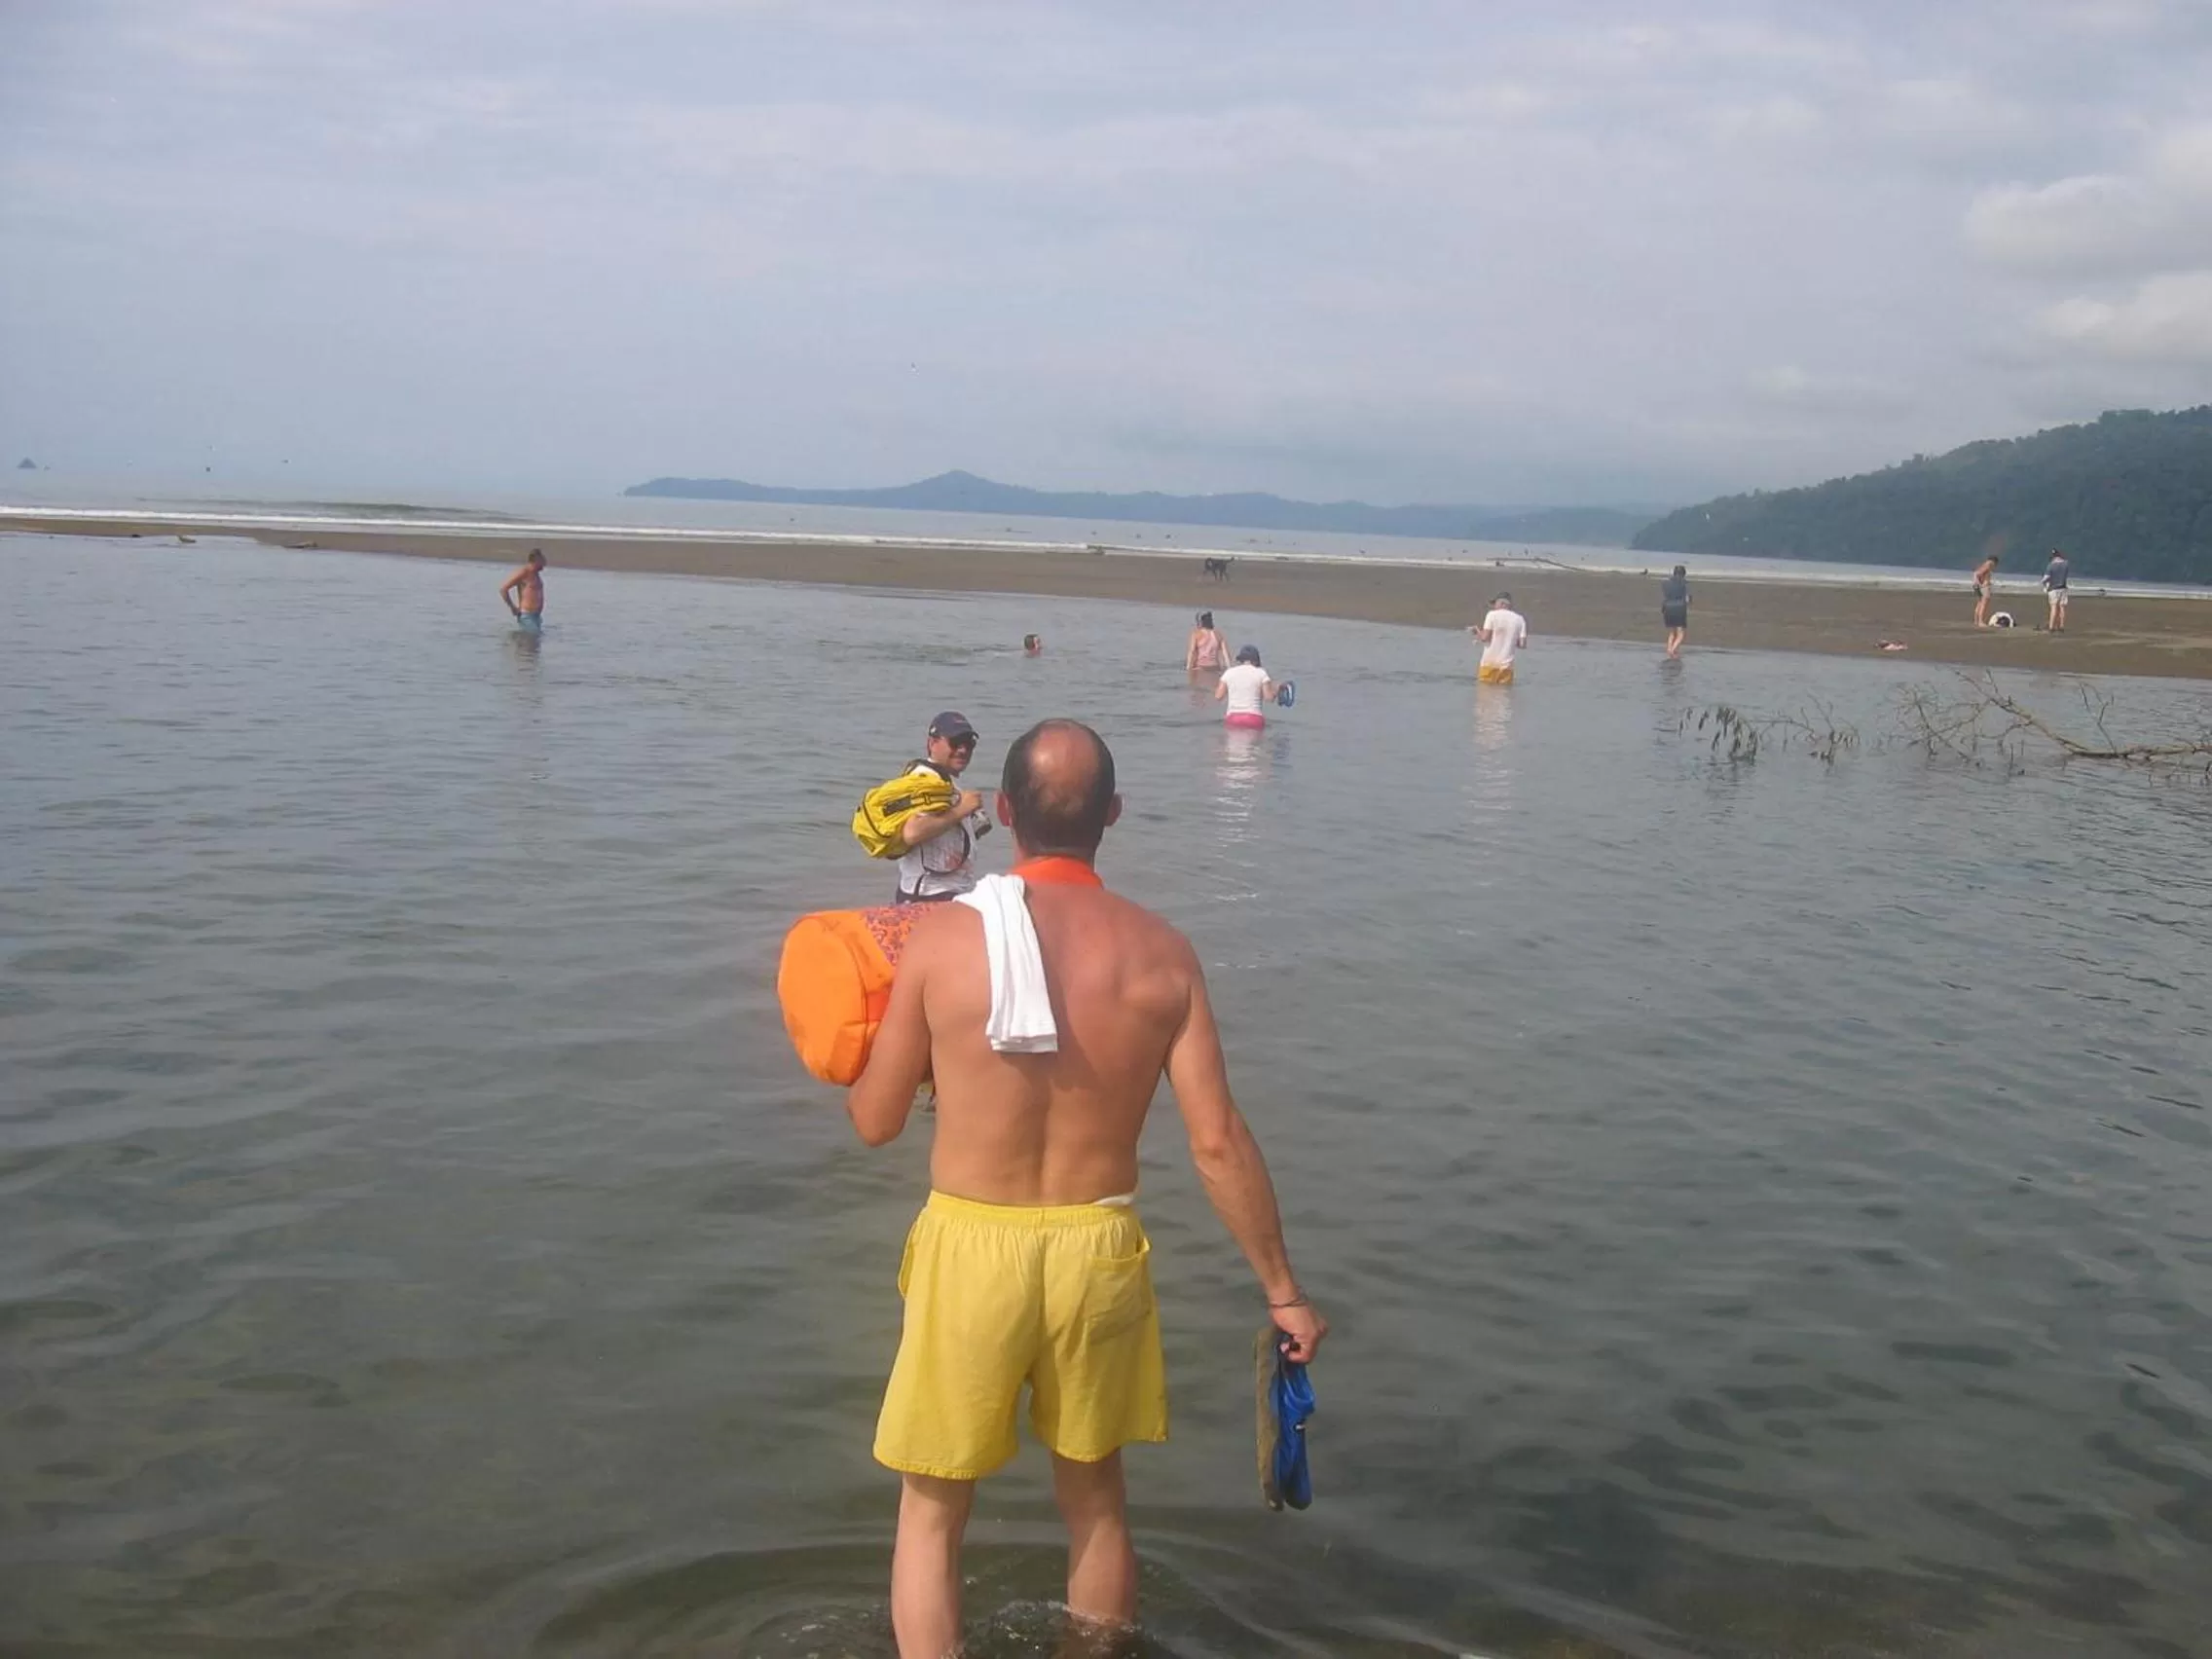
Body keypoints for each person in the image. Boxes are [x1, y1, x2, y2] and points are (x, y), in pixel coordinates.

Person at [846, 719, 1326, 1657]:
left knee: (933, 1512)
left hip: (970, 1247)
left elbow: (877, 1121)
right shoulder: (1162, 954)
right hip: (1098, 1249)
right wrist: (1284, 1292)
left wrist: (865, 1046)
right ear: (1113, 814)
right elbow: (1217, 1141)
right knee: (1097, 1501)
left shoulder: (945, 941)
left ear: (1008, 811)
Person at [894, 713, 990, 904]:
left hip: (945, 892)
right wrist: (960, 810)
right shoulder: (925, 778)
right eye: (955, 742)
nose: (963, 750)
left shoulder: (942, 781)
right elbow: (912, 832)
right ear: (932, 743)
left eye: (969, 743)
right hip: (928, 895)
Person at [1470, 592, 1529, 685]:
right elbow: (1522, 645)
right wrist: (1510, 639)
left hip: (1488, 664)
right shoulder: (1520, 619)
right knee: (1503, 695)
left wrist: (1477, 631)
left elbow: (1485, 638)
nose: (1494, 606)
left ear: (1502, 604)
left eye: (1495, 604)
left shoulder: (1492, 615)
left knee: (1485, 693)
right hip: (1507, 667)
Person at [1214, 645, 1273, 729]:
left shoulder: (1229, 672)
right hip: (1254, 719)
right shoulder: (1261, 673)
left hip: (1233, 718)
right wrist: (1276, 691)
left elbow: (1218, 696)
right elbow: (1269, 698)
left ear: (1241, 660)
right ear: (1256, 660)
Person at [501, 549, 547, 630]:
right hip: (527, 615)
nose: (544, 564)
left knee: (535, 640)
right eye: (542, 561)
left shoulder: (536, 574)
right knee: (530, 640)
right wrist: (512, 607)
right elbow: (504, 589)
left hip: (536, 616)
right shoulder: (524, 572)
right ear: (536, 560)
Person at [1660, 565, 1691, 658]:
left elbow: (1665, 595)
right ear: (1683, 574)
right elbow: (1688, 598)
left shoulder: (1665, 583)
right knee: (1680, 632)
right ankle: (1673, 651)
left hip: (1667, 606)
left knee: (1672, 631)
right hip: (1679, 607)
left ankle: (1669, 649)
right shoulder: (1685, 583)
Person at [2043, 548, 2071, 633]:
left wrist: (2043, 584)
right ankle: (2061, 626)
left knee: (2054, 607)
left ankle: (2051, 627)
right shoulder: (2066, 563)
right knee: (2062, 607)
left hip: (2053, 589)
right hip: (2063, 587)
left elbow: (2046, 578)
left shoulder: (2051, 565)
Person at [1972, 553, 2001, 628]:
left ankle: (1976, 620)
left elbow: (1977, 574)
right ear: (1993, 562)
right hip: (1984, 587)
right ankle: (1980, 622)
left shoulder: (1983, 565)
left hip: (1978, 586)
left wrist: (1979, 583)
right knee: (1983, 604)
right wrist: (1982, 584)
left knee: (1979, 603)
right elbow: (1978, 574)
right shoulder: (1988, 565)